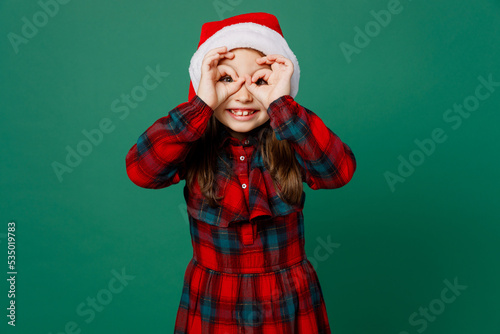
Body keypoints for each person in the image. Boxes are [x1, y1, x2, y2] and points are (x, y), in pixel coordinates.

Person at [125, 12, 356, 334]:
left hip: (287, 296)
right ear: (205, 82)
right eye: (226, 79)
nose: (244, 96)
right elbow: (141, 171)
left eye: (260, 81)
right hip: (213, 297)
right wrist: (201, 103)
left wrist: (282, 105)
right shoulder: (193, 141)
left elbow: (337, 171)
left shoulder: (291, 137)